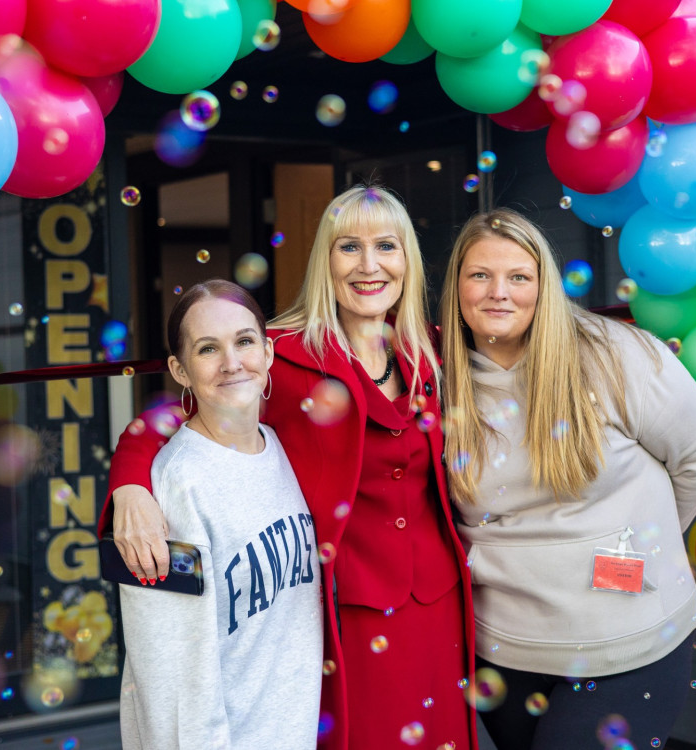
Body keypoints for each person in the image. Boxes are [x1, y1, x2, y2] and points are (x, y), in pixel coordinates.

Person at [99, 186, 478, 750]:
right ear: (326, 258)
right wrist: (129, 486)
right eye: (349, 247)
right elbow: (162, 420)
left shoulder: (434, 350)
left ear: (409, 259)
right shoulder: (276, 352)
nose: (369, 266)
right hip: (344, 614)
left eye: (386, 246)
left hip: (441, 604)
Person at [438, 209, 696, 750]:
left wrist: (640, 540)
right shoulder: (437, 380)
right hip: (504, 652)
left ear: (544, 286)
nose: (498, 292)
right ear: (456, 286)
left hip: (626, 648)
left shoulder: (615, 355)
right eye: (480, 275)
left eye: (519, 277)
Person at [116, 280, 322, 749]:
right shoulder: (174, 486)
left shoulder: (283, 450)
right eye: (208, 349)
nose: (232, 363)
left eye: (244, 341)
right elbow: (167, 673)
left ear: (268, 353)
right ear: (180, 370)